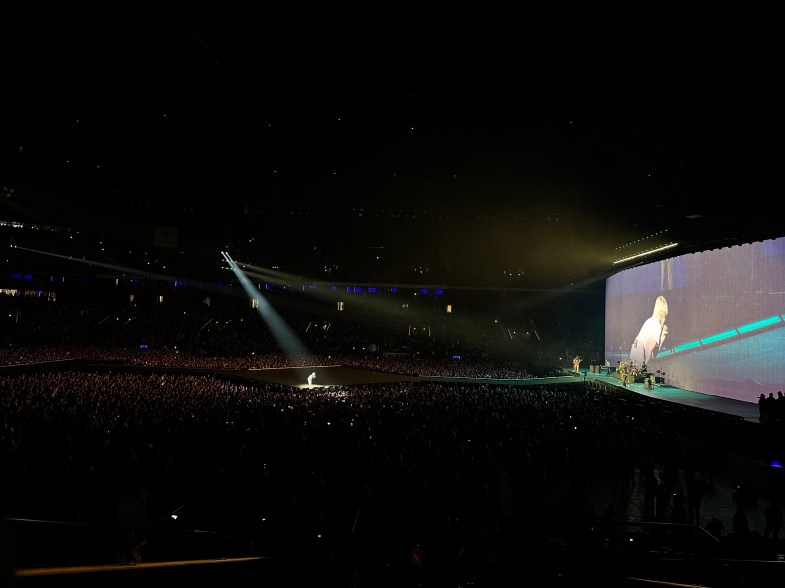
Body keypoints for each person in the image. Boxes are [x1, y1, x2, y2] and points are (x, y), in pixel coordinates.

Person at [629, 295, 668, 365]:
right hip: (639, 355)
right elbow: (650, 349)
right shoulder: (657, 326)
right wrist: (645, 367)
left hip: (634, 350)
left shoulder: (649, 321)